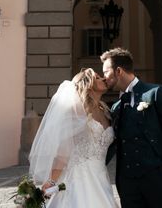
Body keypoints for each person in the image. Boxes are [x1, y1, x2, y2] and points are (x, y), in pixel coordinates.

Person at [101, 47, 162, 208]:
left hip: (159, 180)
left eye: (105, 72)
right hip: (127, 184)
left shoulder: (156, 93)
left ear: (118, 71)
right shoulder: (117, 106)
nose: (103, 77)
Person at [28, 68, 118, 208]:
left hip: (101, 177)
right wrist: (51, 182)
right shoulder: (76, 112)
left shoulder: (105, 111)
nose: (103, 79)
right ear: (88, 84)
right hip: (78, 179)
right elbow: (63, 151)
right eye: (98, 77)